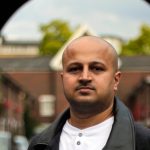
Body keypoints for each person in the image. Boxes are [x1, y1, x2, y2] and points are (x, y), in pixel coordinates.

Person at [28, 36, 150, 150]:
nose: (84, 77)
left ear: (116, 80)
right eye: (74, 69)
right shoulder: (39, 145)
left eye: (97, 68)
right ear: (62, 79)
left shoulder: (143, 142)